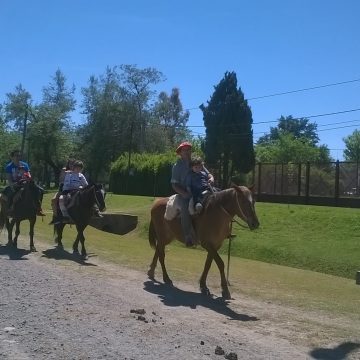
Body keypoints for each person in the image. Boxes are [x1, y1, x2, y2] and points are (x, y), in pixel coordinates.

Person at [2, 149, 45, 216]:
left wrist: (28, 177)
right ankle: (10, 209)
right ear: (12, 157)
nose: (18, 157)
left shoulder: (25, 165)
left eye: (19, 155)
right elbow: (9, 179)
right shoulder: (9, 167)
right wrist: (12, 185)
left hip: (25, 183)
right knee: (10, 195)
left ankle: (38, 209)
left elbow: (29, 174)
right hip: (15, 184)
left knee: (41, 190)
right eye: (16, 156)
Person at [170, 141, 197, 247]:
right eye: (184, 150)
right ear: (180, 153)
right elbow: (174, 184)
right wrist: (184, 194)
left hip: (199, 190)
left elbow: (205, 171)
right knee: (185, 207)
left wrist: (210, 177)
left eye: (189, 149)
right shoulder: (177, 166)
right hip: (184, 193)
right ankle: (187, 236)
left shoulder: (195, 162)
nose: (187, 152)